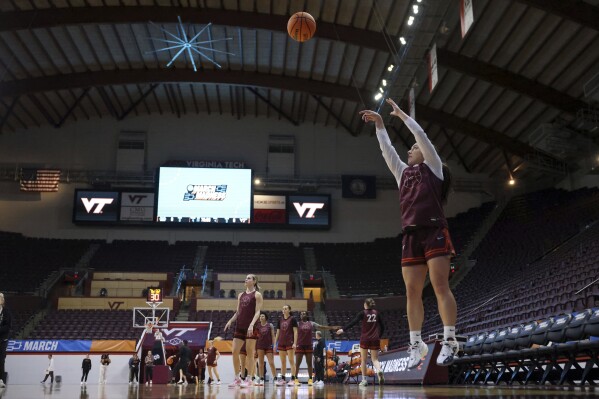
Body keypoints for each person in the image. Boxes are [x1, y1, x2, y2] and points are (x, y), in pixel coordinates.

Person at [362, 98, 458, 368]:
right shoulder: (402, 173)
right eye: (410, 149)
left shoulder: (435, 169)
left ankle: (450, 340)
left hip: (434, 230)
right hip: (411, 236)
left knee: (440, 286)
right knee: (411, 293)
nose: (410, 151)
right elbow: (387, 151)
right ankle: (416, 343)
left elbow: (421, 135)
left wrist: (402, 115)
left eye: (414, 149)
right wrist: (380, 125)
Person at [224, 274, 263, 388]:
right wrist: (230, 321)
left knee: (250, 353)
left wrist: (251, 324)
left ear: (254, 281)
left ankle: (249, 379)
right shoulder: (240, 295)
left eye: (249, 278)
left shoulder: (257, 295)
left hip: (251, 327)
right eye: (246, 278)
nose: (246, 279)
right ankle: (237, 378)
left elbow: (257, 312)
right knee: (234, 351)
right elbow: (238, 312)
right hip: (239, 326)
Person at [336, 298, 385, 387]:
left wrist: (343, 329)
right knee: (375, 359)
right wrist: (379, 336)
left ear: (365, 305)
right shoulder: (377, 313)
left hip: (365, 338)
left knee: (363, 360)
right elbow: (383, 327)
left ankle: (364, 380)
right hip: (375, 339)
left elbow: (353, 322)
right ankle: (379, 371)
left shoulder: (362, 313)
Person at [295, 311, 338, 386]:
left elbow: (321, 327)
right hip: (300, 345)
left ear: (307, 315)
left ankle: (310, 379)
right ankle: (295, 379)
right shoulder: (298, 324)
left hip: (308, 345)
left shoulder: (311, 323)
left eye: (304, 313)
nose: (302, 315)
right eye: (301, 314)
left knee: (309, 364)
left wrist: (331, 327)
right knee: (297, 364)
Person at [274, 304, 298, 386]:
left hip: (290, 342)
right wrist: (275, 344)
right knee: (283, 362)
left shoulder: (293, 319)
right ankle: (283, 379)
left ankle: (293, 379)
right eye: (283, 308)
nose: (284, 310)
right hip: (281, 342)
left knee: (291, 361)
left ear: (289, 310)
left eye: (286, 308)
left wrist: (295, 343)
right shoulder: (280, 320)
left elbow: (295, 332)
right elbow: (277, 332)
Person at [255, 312, 277, 386]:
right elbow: (256, 338)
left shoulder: (270, 325)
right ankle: (261, 378)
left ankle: (275, 378)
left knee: (271, 362)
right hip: (260, 346)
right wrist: (255, 349)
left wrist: (274, 346)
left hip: (268, 346)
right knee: (260, 363)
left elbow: (273, 336)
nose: (261, 317)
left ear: (266, 317)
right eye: (260, 316)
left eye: (263, 316)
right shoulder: (257, 326)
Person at [0, 292, 11, 389]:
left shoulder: (6, 312)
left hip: (2, 340)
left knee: (1, 360)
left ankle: (1, 380)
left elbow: (7, 327)